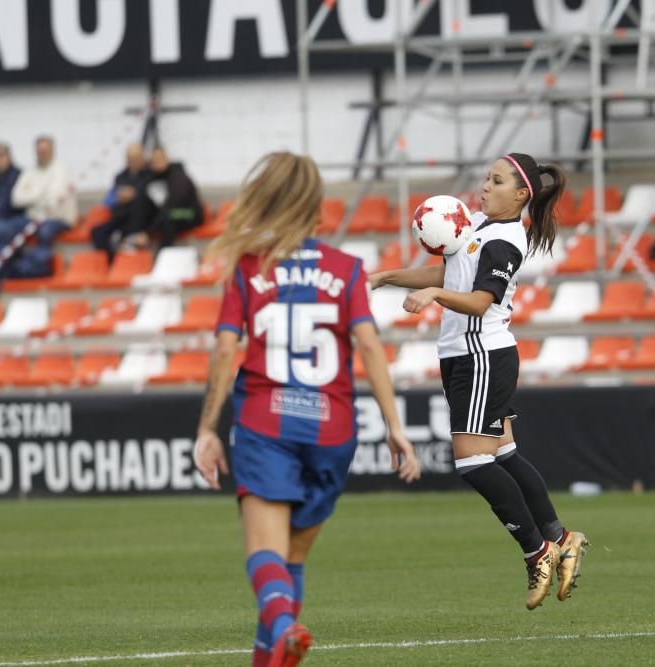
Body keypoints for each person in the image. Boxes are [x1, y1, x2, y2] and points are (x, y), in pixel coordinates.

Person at [192, 152, 421, 667]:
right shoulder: (349, 269)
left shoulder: (250, 268)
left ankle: (287, 624)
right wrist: (395, 428)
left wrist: (207, 428)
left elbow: (226, 349)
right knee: (291, 560)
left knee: (265, 557)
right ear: (316, 209)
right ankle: (277, 645)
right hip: (332, 429)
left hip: (266, 423)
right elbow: (368, 346)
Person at [369, 153, 588, 610]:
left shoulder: (506, 240)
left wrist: (432, 295)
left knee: (473, 464)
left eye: (497, 180)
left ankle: (537, 551)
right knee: (504, 455)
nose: (484, 187)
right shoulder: (483, 230)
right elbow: (451, 274)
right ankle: (561, 538)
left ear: (521, 194)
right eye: (486, 179)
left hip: (481, 356)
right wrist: (388, 276)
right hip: (465, 356)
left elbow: (481, 300)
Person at [124, 146, 204, 250]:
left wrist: (148, 233)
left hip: (190, 213)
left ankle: (163, 253)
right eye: (154, 160)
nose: (157, 162)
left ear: (166, 158)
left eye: (159, 159)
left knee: (169, 217)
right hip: (167, 214)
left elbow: (172, 205)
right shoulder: (151, 178)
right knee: (141, 210)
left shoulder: (178, 176)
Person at [10, 136, 78, 248]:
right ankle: (11, 262)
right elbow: (16, 199)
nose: (42, 153)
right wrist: (41, 194)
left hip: (58, 219)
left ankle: (36, 263)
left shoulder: (61, 170)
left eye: (45, 150)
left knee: (45, 231)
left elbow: (52, 201)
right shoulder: (29, 172)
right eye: (39, 150)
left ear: (53, 151)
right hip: (33, 218)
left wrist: (30, 194)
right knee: (9, 227)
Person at [91, 143, 148, 258]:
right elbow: (109, 199)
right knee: (97, 232)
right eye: (130, 159)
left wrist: (135, 194)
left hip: (141, 220)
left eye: (136, 158)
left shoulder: (150, 175)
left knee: (138, 207)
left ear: (143, 158)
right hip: (120, 216)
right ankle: (111, 263)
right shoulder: (120, 176)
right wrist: (119, 197)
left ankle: (125, 241)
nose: (133, 162)